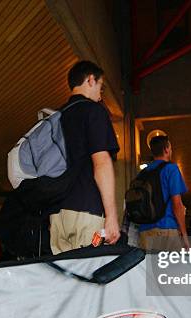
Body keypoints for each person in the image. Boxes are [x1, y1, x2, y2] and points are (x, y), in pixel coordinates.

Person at [49, 61, 120, 254]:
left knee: (65, 281)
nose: (100, 94)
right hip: (86, 211)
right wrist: (112, 216)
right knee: (91, 278)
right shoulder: (94, 111)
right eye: (100, 86)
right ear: (90, 79)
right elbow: (102, 163)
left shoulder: (57, 116)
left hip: (57, 217)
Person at [138, 135, 189, 251]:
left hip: (144, 231)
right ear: (166, 149)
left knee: (151, 269)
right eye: (170, 148)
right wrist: (185, 236)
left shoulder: (142, 173)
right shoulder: (171, 169)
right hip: (166, 228)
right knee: (173, 268)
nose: (171, 151)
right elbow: (177, 205)